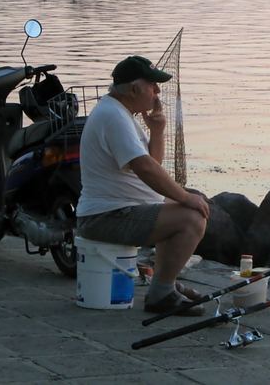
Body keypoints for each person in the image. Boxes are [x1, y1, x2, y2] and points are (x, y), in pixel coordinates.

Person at [76, 55, 210, 315]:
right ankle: (161, 293)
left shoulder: (120, 113)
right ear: (135, 88)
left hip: (119, 210)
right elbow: (145, 169)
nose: (157, 91)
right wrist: (184, 198)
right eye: (153, 85)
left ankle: (165, 284)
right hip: (106, 217)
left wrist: (157, 131)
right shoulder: (113, 116)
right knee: (191, 217)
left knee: (188, 204)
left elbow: (151, 164)